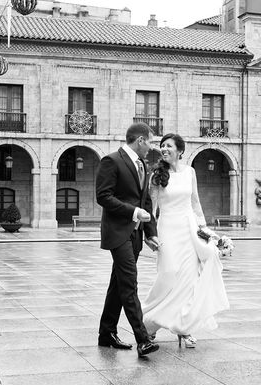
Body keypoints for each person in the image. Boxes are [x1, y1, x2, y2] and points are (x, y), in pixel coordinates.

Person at [142, 133, 229, 348]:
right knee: (168, 275)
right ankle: (149, 324)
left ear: (180, 150)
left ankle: (184, 328)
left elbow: (195, 203)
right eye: (162, 146)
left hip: (189, 229)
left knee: (188, 280)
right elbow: (151, 208)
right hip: (167, 229)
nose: (164, 149)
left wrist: (205, 230)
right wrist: (149, 233)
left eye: (169, 146)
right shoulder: (157, 175)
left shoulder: (190, 172)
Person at [96, 123, 160, 358]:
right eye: (151, 142)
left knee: (118, 285)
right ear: (140, 140)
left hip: (135, 235)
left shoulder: (142, 164)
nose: (152, 147)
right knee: (130, 284)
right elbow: (103, 196)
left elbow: (146, 202)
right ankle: (143, 340)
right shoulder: (111, 161)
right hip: (117, 232)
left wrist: (151, 232)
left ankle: (106, 333)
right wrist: (133, 213)